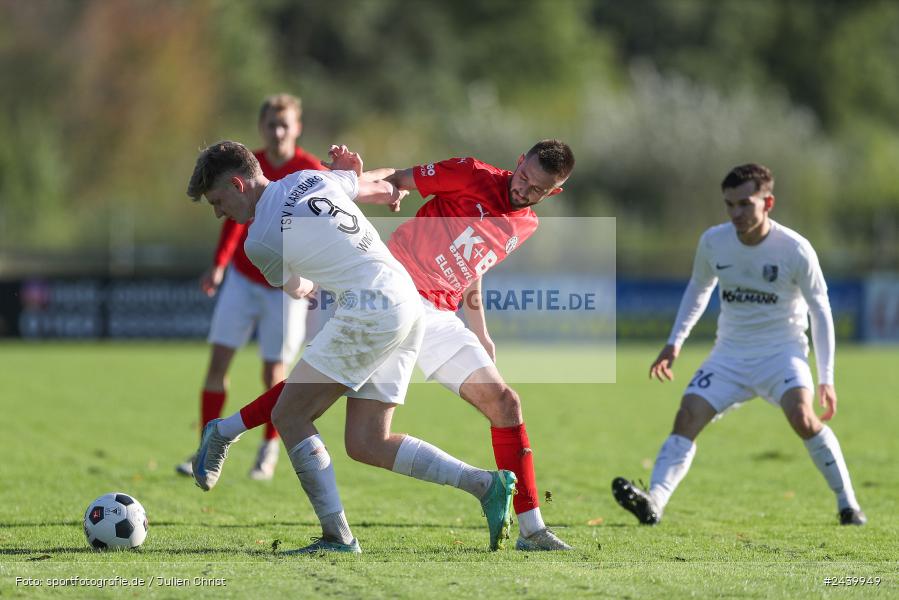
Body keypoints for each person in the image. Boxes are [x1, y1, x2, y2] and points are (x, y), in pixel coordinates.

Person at [205, 140, 578, 551]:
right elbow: (396, 179)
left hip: (437, 313)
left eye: (537, 189)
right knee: (326, 403)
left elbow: (472, 262)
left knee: (504, 403)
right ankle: (226, 431)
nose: (525, 190)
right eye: (524, 177)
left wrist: (480, 330)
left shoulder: (525, 224)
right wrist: (365, 185)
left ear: (552, 193)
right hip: (391, 290)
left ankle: (533, 530)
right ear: (518, 160)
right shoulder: (470, 172)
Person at [611, 163, 866, 526]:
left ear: (768, 202)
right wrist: (674, 342)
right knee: (687, 416)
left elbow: (820, 312)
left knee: (804, 418)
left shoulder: (795, 249)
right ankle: (654, 501)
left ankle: (848, 505)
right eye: (729, 205)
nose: (736, 213)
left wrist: (826, 377)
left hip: (782, 355)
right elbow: (699, 289)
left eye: (745, 204)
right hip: (729, 355)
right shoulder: (714, 241)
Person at [176, 94, 323, 480]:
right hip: (243, 278)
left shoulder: (307, 169)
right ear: (262, 128)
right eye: (271, 125)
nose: (277, 131)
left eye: (284, 124)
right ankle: (203, 450)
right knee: (217, 365)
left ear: (297, 128)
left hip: (284, 286)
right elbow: (229, 220)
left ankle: (268, 449)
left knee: (274, 372)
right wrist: (220, 266)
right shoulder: (245, 168)